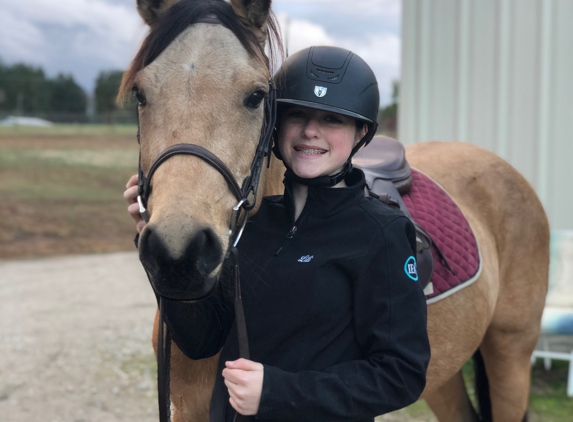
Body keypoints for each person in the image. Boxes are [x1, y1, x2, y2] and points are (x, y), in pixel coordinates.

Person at [124, 46, 430, 421]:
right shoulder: (251, 226)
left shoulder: (380, 233)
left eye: (332, 119)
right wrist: (159, 248)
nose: (310, 131)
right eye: (297, 114)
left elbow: (401, 375)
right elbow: (200, 341)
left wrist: (276, 393)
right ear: (274, 123)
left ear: (361, 132)